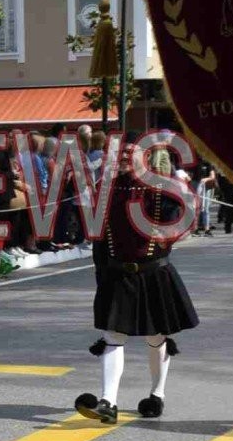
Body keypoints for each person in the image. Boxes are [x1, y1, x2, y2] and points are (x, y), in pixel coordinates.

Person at [74, 142, 201, 424]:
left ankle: (157, 394)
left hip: (154, 273)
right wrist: (101, 274)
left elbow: (178, 223)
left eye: (127, 155)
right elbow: (99, 237)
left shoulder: (163, 187)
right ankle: (108, 402)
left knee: (156, 337)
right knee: (112, 336)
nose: (120, 159)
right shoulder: (106, 190)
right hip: (118, 274)